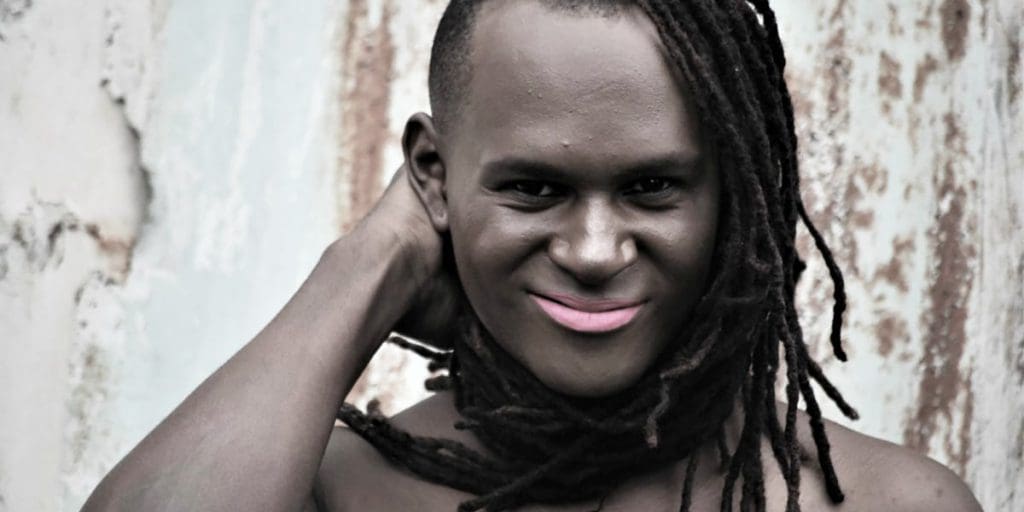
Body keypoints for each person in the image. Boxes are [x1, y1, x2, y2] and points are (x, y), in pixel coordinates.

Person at [82, 1, 984, 511]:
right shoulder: (333, 493)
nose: (594, 251)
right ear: (433, 174)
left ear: (735, 194)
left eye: (653, 187)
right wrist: (368, 266)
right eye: (534, 189)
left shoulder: (888, 503)